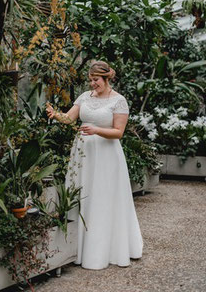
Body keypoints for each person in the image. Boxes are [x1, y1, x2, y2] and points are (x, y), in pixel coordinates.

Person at [46, 60, 143, 270]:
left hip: (106, 156)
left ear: (107, 78)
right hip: (83, 154)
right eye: (90, 80)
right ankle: (77, 248)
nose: (92, 84)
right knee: (83, 194)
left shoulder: (119, 101)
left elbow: (118, 132)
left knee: (102, 197)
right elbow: (70, 119)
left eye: (96, 80)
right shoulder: (84, 97)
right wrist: (56, 115)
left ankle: (102, 250)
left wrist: (96, 130)